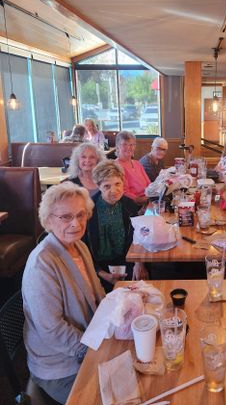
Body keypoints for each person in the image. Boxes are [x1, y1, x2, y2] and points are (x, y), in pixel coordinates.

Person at [22, 182, 105, 404]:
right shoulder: (42, 263)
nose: (75, 224)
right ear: (48, 220)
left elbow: (97, 297)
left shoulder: (79, 247)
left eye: (80, 215)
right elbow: (52, 330)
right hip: (61, 366)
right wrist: (93, 352)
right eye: (65, 217)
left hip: (90, 342)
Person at [86, 160, 148, 291]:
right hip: (99, 268)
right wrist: (103, 274)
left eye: (117, 184)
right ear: (98, 186)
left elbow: (137, 236)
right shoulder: (88, 211)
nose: (114, 190)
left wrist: (138, 262)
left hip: (127, 261)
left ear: (123, 182)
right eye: (107, 186)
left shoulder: (129, 205)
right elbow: (84, 250)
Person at [115, 131, 151, 205]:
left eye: (131, 145)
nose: (128, 147)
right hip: (133, 205)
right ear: (118, 146)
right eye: (124, 144)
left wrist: (152, 194)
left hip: (147, 199)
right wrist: (140, 200)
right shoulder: (116, 166)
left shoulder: (137, 163)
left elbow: (149, 184)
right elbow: (124, 192)